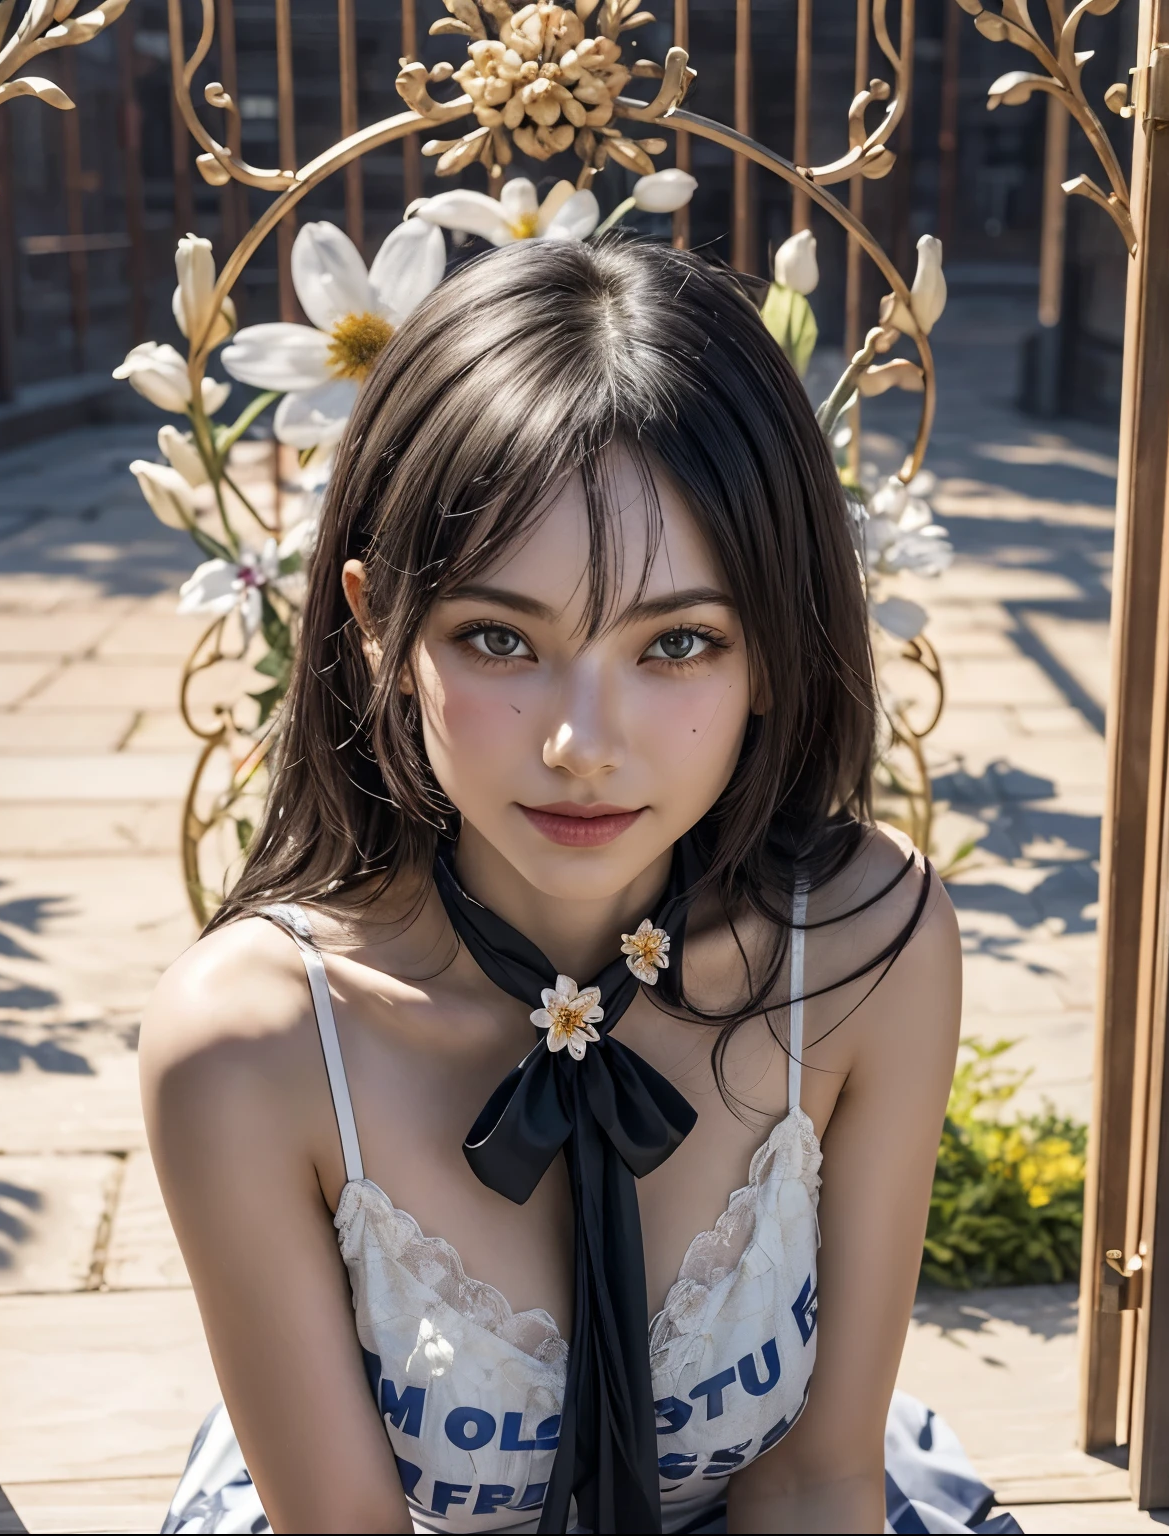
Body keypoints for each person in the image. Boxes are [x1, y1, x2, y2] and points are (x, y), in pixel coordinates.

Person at [142, 237, 1003, 1534]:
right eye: (501, 639)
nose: (582, 744)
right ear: (378, 627)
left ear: (776, 649)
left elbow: (815, 1478)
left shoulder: (867, 947)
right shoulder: (250, 1048)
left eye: (678, 644)